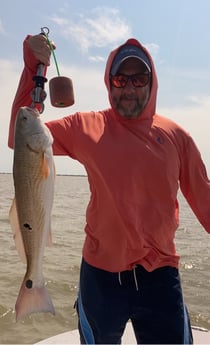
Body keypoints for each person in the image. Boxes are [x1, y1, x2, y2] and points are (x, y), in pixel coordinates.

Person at [8, 33, 210, 345]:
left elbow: (206, 202)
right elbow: (21, 136)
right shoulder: (85, 127)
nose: (130, 87)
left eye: (139, 78)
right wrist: (32, 68)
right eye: (120, 79)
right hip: (100, 277)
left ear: (152, 81)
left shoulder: (177, 138)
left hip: (160, 275)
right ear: (108, 81)